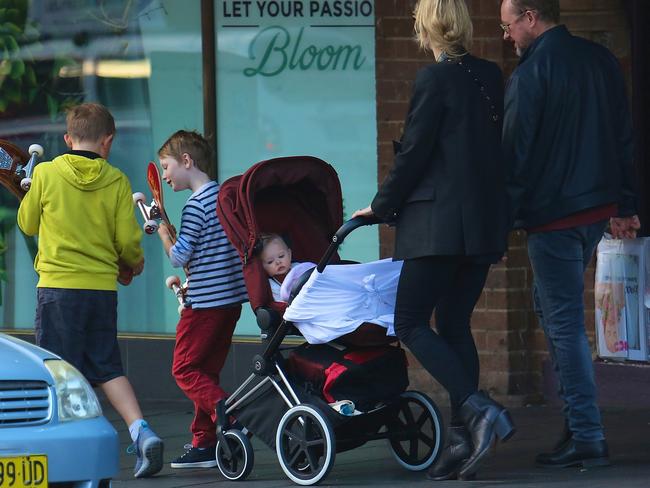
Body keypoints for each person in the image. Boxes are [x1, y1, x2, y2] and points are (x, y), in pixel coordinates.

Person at [353, 0, 514, 481]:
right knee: (456, 323)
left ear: (427, 26)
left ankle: (477, 408)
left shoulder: (433, 79)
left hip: (438, 228)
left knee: (409, 320)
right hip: (482, 225)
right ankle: (465, 435)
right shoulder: (490, 75)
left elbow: (416, 155)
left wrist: (379, 207)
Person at [500, 0, 639, 469]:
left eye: (510, 25)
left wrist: (502, 222)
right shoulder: (599, 60)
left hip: (553, 218)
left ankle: (586, 434)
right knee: (550, 307)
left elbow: (515, 156)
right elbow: (624, 135)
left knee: (563, 325)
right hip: (594, 212)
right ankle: (577, 422)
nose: (508, 35)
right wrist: (625, 205)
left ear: (531, 17)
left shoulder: (530, 75)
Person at [17, 102, 163, 478]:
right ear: (107, 141)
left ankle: (60, 445)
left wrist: (31, 190)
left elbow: (28, 223)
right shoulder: (115, 180)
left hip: (57, 290)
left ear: (67, 139)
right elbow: (128, 240)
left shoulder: (47, 173)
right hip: (100, 290)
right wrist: (133, 262)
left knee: (57, 371)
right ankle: (141, 430)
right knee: (107, 365)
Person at [156, 130, 248, 468]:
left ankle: (230, 413)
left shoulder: (195, 206)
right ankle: (205, 442)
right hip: (231, 303)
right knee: (205, 371)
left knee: (184, 368)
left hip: (205, 305)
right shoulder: (225, 197)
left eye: (166, 167)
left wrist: (165, 236)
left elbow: (180, 257)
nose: (164, 175)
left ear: (186, 161)